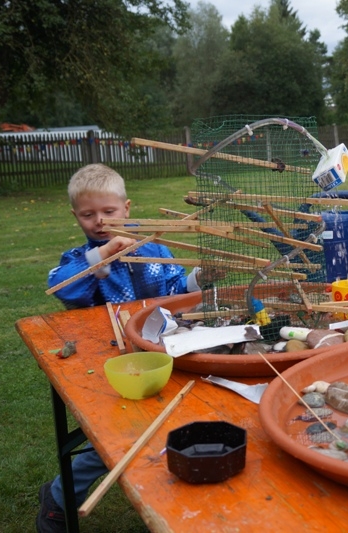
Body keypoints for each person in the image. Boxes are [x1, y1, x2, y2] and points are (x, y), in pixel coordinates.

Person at [38, 163, 213, 533]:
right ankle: (58, 496)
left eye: (109, 212)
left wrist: (202, 277)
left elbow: (176, 290)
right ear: (76, 216)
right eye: (88, 215)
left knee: (168, 422)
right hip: (113, 362)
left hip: (161, 354)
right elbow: (61, 287)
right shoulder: (78, 261)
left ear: (127, 208)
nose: (99, 222)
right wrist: (101, 259)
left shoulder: (155, 249)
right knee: (114, 436)